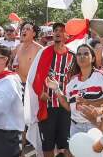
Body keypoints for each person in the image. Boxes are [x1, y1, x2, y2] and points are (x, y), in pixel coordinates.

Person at [29, 22, 75, 157]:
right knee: (47, 144)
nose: (58, 33)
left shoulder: (73, 56)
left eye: (61, 30)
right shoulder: (44, 53)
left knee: (65, 144)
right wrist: (40, 92)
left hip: (65, 106)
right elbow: (36, 75)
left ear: (67, 35)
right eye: (56, 30)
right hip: (47, 105)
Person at [52, 43, 103, 136]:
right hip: (75, 126)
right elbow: (69, 106)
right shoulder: (72, 82)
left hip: (96, 124)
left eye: (86, 54)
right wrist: (56, 89)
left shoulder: (101, 76)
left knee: (96, 150)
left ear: (93, 58)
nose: (82, 56)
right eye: (79, 54)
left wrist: (89, 103)